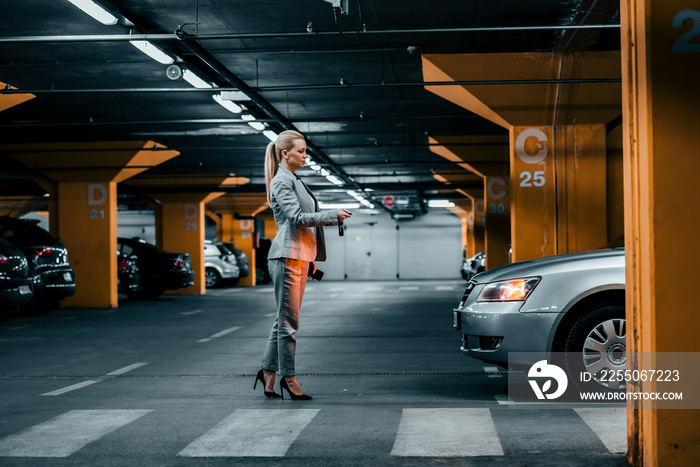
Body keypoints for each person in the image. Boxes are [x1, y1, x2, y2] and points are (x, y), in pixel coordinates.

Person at [254, 130, 352, 400]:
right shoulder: (281, 182)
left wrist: (309, 258)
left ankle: (268, 373)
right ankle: (289, 377)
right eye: (301, 151)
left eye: (306, 151)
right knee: (289, 324)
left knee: (282, 321)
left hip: (297, 256)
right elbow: (297, 218)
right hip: (287, 257)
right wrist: (333, 215)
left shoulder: (292, 179)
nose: (306, 155)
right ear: (285, 154)